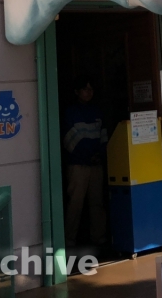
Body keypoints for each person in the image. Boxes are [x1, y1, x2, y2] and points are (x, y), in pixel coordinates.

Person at [62, 76, 108, 247]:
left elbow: (103, 136)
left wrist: (99, 155)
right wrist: (88, 155)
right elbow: (70, 141)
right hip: (78, 165)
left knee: (97, 203)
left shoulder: (97, 111)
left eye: (91, 89)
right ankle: (68, 239)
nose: (88, 92)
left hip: (96, 165)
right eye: (85, 88)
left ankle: (99, 237)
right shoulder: (71, 112)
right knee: (75, 203)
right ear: (77, 92)